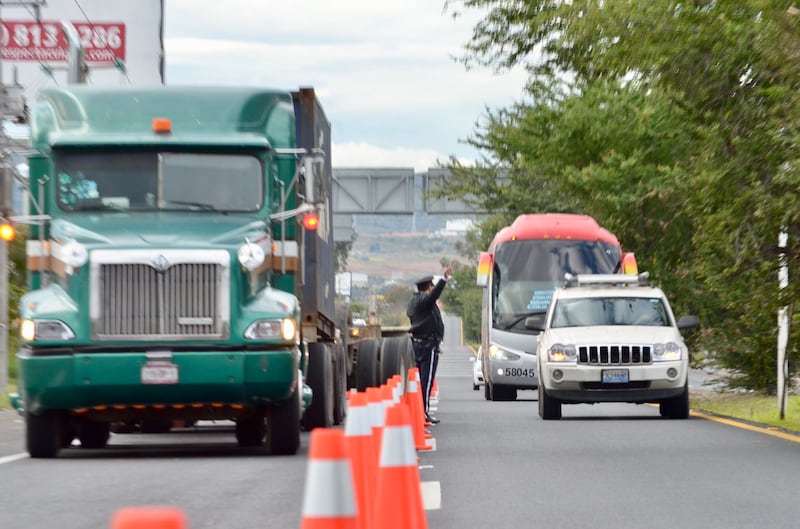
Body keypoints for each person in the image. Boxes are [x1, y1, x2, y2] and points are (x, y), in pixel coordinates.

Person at [407, 265, 451, 424]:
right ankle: (423, 412)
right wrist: (444, 279)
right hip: (427, 346)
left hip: (417, 344)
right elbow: (433, 296)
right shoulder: (424, 301)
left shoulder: (414, 301)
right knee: (426, 380)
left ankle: (418, 410)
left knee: (420, 381)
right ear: (429, 288)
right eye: (432, 287)